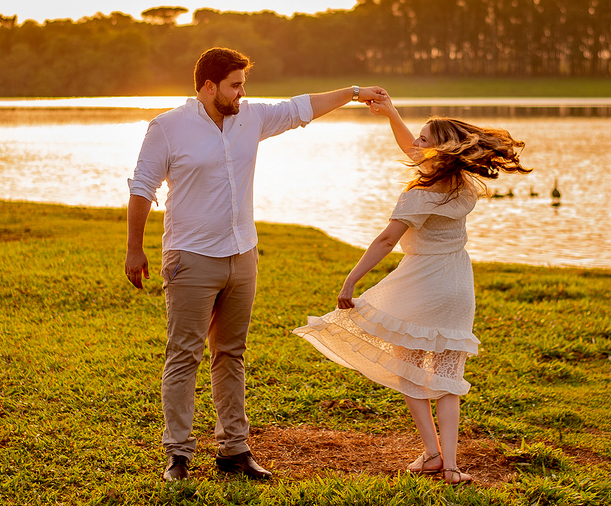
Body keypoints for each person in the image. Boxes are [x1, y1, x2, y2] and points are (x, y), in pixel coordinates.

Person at [125, 46, 387, 482]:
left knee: (231, 354)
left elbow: (301, 107)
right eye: (235, 84)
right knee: (184, 355)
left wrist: (355, 91)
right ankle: (178, 455)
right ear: (209, 87)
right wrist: (135, 249)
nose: (243, 92)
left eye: (244, 84)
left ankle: (234, 451)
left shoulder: (251, 117)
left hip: (242, 256)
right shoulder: (168, 128)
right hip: (190, 258)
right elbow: (142, 187)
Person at [293, 98, 531, 486]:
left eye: (424, 139)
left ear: (440, 149)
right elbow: (412, 149)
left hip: (423, 282)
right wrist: (391, 114)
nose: (415, 145)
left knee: (410, 369)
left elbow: (387, 240)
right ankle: (450, 466)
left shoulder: (420, 192)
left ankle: (433, 454)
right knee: (448, 378)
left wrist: (351, 280)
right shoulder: (463, 184)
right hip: (457, 283)